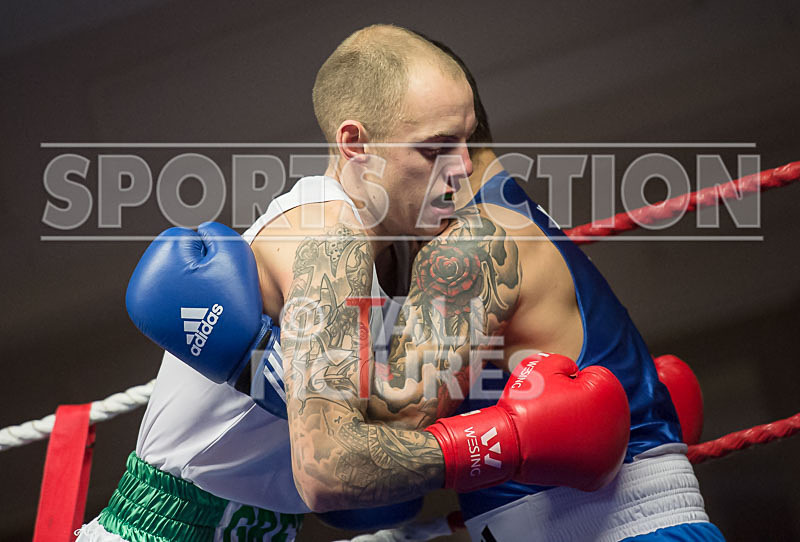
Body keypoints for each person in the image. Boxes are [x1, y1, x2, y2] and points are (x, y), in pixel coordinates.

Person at [119, 23, 631, 540]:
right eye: (434, 149)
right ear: (356, 143)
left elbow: (363, 449)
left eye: (466, 140)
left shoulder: (401, 262)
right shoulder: (327, 237)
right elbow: (332, 470)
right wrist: (504, 442)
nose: (462, 168)